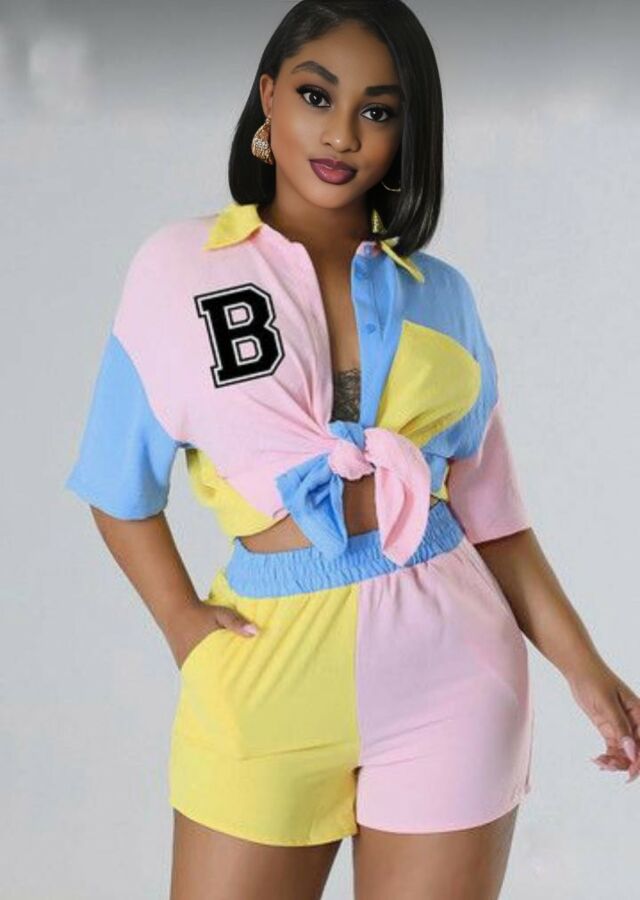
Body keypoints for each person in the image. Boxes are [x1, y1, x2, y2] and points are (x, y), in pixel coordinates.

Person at [64, 2, 640, 898]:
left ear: (407, 133)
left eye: (377, 110)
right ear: (267, 98)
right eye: (315, 96)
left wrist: (588, 670)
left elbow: (495, 519)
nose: (342, 134)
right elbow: (117, 484)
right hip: (264, 662)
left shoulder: (442, 296)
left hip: (452, 669)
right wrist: (181, 623)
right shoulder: (180, 269)